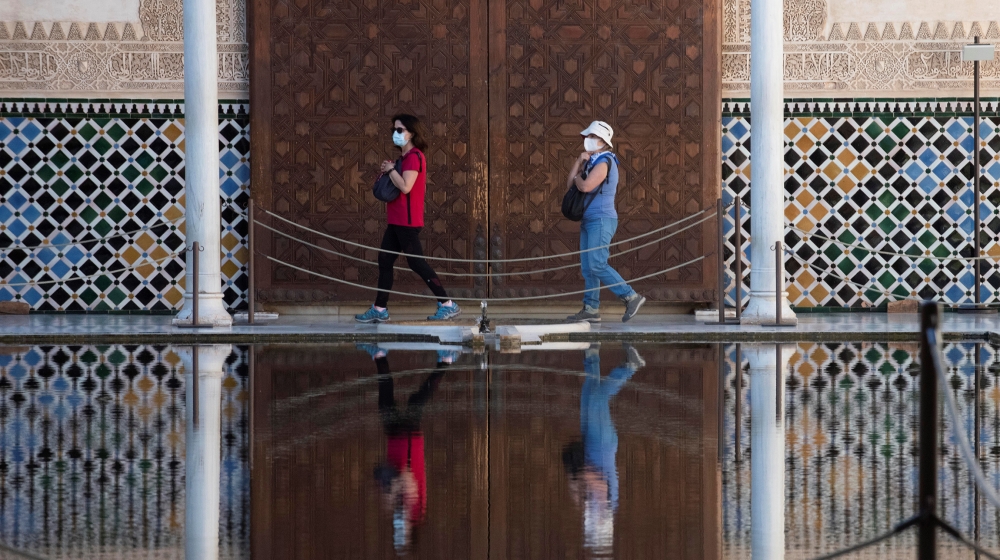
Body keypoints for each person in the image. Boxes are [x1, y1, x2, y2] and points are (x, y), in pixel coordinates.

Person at [355, 114, 461, 323]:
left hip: (407, 221)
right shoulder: (403, 158)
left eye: (400, 130)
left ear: (412, 133)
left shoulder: (414, 156)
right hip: (396, 220)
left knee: (416, 262)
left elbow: (405, 186)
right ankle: (379, 308)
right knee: (385, 259)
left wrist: (391, 170)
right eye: (394, 129)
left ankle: (447, 304)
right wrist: (392, 167)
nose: (396, 133)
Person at [358, 344, 458, 553]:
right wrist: (393, 486)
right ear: (410, 532)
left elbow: (389, 488)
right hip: (409, 444)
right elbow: (408, 479)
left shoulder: (399, 512)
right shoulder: (416, 511)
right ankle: (445, 362)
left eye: (397, 534)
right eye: (401, 534)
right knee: (415, 402)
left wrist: (388, 489)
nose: (398, 529)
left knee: (386, 401)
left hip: (394, 441)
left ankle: (379, 356)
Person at [562, 342, 645, 556]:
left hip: (592, 444)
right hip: (601, 446)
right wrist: (576, 478)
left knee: (589, 393)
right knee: (598, 400)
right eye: (593, 524)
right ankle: (630, 367)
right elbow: (594, 478)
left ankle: (592, 354)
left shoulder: (591, 505)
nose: (589, 520)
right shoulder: (606, 503)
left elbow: (582, 483)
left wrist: (576, 488)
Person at [564, 121, 646, 323]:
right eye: (587, 137)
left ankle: (631, 296)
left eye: (591, 137)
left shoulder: (605, 161)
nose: (587, 140)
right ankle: (591, 309)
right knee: (588, 267)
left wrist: (578, 179)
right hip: (590, 219)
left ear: (602, 140)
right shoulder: (592, 161)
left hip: (601, 220)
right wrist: (578, 162)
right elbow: (570, 185)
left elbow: (584, 186)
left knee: (598, 264)